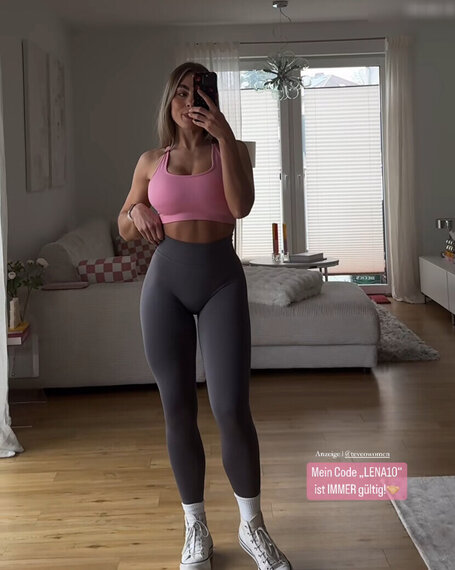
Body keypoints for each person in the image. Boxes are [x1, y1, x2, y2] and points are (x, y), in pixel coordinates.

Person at [118, 62, 292, 570]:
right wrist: (135, 211)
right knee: (177, 408)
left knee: (231, 407)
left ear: (214, 99)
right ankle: (195, 526)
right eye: (181, 92)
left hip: (221, 282)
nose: (190, 101)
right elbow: (124, 224)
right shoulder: (151, 161)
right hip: (165, 285)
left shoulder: (229, 151)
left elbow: (241, 207)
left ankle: (253, 527)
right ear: (168, 101)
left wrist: (227, 136)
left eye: (200, 92)